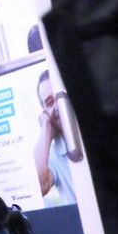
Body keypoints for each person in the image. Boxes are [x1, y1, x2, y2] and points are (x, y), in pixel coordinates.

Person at [34, 70, 82, 206]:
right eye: (49, 103)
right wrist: (46, 126)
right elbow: (39, 187)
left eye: (61, 97)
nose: (58, 106)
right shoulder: (54, 155)